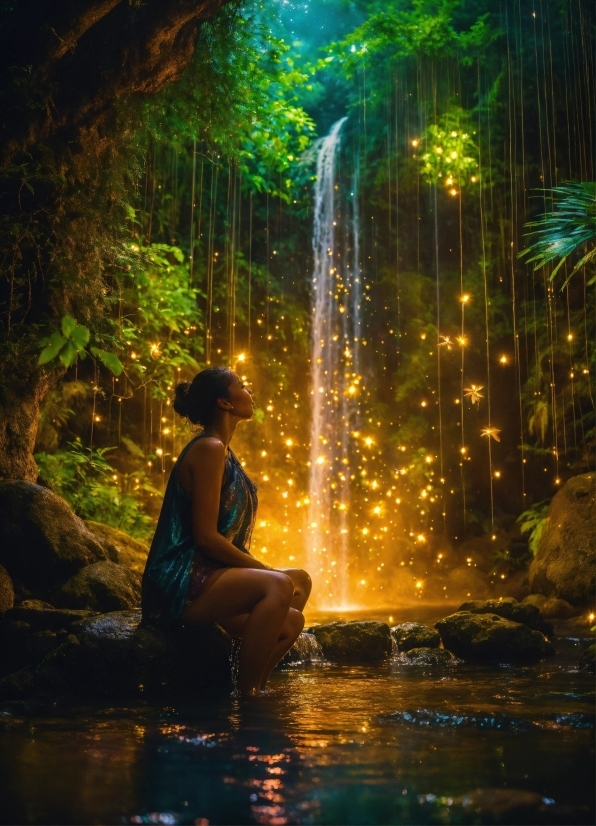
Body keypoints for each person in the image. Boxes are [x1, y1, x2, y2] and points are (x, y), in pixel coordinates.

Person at [141, 366, 311, 697]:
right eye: (242, 387)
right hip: (180, 580)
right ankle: (246, 695)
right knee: (279, 584)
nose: (251, 393)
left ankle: (248, 679)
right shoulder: (209, 449)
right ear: (225, 403)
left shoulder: (224, 451)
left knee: (296, 598)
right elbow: (205, 537)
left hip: (207, 574)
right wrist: (264, 571)